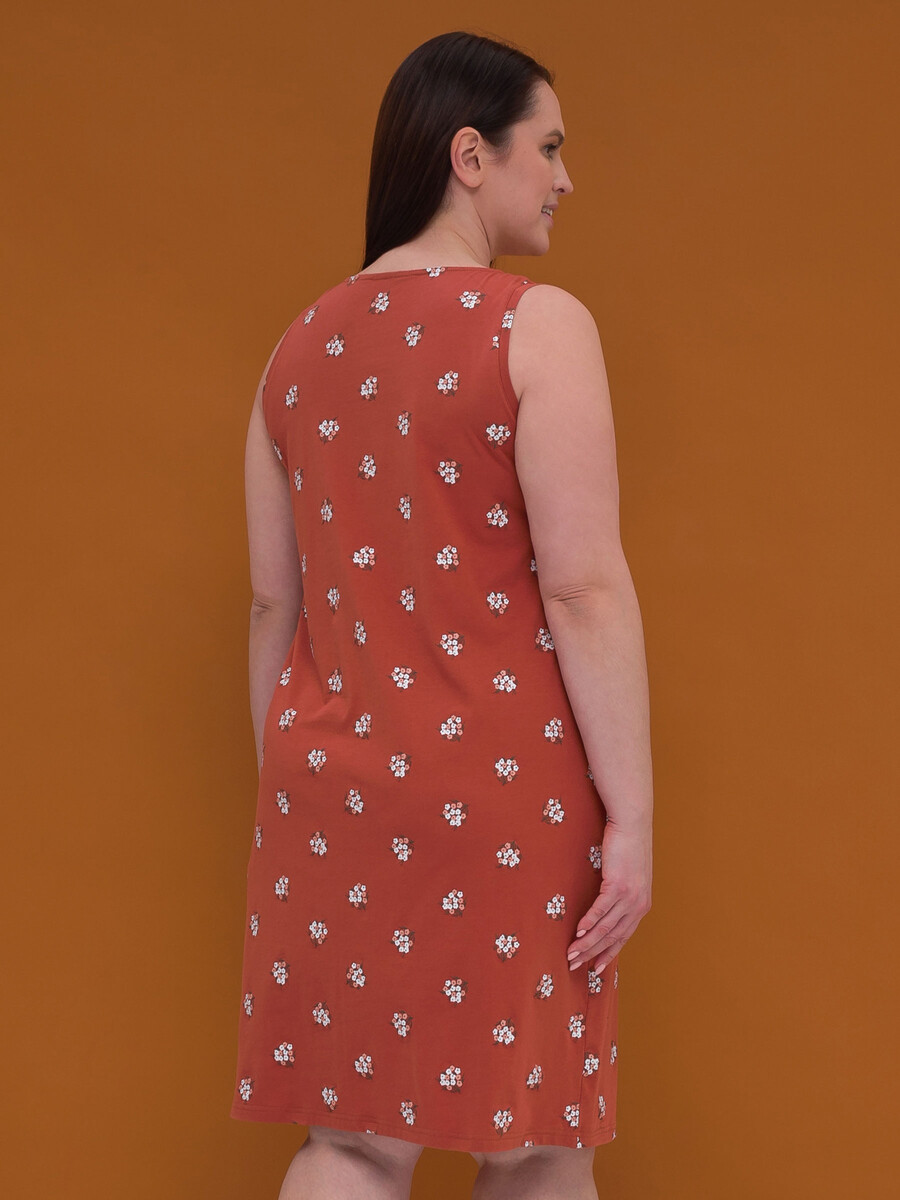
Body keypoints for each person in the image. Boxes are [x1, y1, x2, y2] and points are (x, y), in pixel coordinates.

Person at [231, 29, 653, 1200]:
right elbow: (581, 587)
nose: (566, 178)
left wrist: (297, 797)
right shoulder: (538, 324)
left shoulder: (294, 350)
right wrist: (632, 815)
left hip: (330, 790)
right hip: (503, 800)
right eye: (548, 148)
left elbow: (273, 603)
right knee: (534, 1142)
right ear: (471, 155)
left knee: (353, 1142)